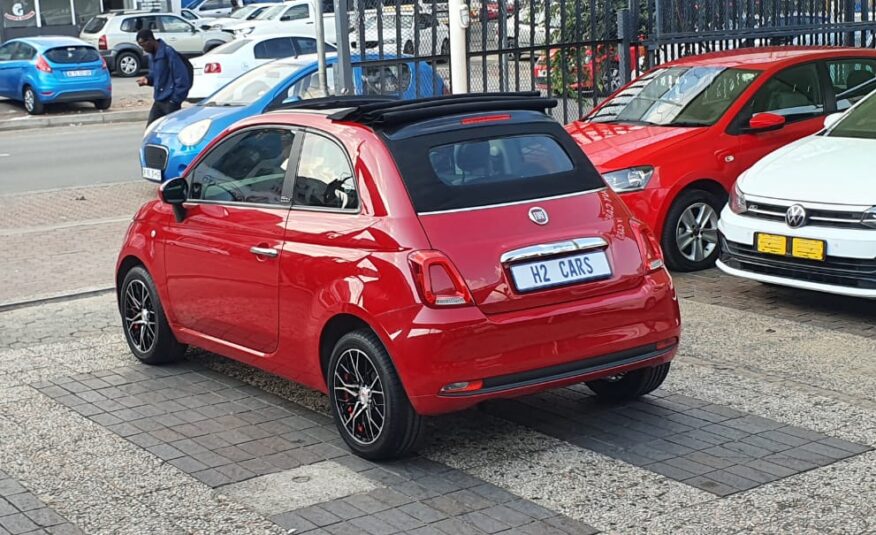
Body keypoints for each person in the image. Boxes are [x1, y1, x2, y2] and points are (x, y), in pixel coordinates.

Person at [136, 29, 192, 125]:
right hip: (159, 100)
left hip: (170, 101)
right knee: (151, 130)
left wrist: (174, 100)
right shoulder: (152, 55)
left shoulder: (168, 52)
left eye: (143, 45)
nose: (143, 49)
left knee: (171, 129)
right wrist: (147, 79)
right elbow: (156, 76)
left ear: (150, 40)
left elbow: (182, 78)